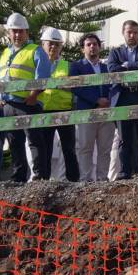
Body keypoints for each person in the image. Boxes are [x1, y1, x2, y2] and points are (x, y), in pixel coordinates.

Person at [0, 13, 49, 183]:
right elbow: (2, 76)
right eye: (14, 31)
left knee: (34, 140)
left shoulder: (35, 50)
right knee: (14, 143)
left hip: (28, 103)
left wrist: (34, 95)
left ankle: (40, 176)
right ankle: (18, 177)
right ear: (9, 33)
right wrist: (1, 96)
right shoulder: (5, 52)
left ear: (26, 32)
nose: (17, 35)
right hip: (8, 104)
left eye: (21, 31)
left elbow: (43, 75)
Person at [106, 20, 138, 178]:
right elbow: (112, 68)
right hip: (123, 97)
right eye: (129, 32)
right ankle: (124, 171)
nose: (132, 35)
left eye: (135, 32)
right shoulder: (115, 52)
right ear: (123, 33)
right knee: (124, 138)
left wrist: (128, 65)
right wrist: (134, 66)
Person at [32, 28, 80, 181]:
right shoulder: (36, 65)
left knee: (69, 148)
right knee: (45, 148)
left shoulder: (68, 66)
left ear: (61, 47)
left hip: (64, 111)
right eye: (50, 44)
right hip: (44, 111)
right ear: (43, 45)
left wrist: (58, 85)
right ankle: (44, 180)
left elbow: (76, 86)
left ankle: (73, 180)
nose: (53, 47)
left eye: (57, 44)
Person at [70, 33, 114, 182]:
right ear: (83, 49)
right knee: (85, 147)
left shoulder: (107, 67)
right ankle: (85, 179)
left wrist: (109, 100)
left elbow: (114, 85)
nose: (92, 47)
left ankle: (102, 178)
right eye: (88, 45)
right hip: (86, 112)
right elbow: (76, 87)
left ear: (99, 47)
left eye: (95, 44)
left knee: (105, 148)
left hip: (106, 112)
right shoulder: (76, 66)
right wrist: (96, 100)